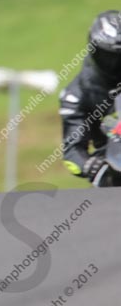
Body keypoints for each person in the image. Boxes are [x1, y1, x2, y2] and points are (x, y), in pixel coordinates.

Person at [60, 10, 121, 187]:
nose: (117, 65)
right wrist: (88, 166)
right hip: (115, 165)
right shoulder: (76, 95)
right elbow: (72, 151)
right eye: (111, 58)